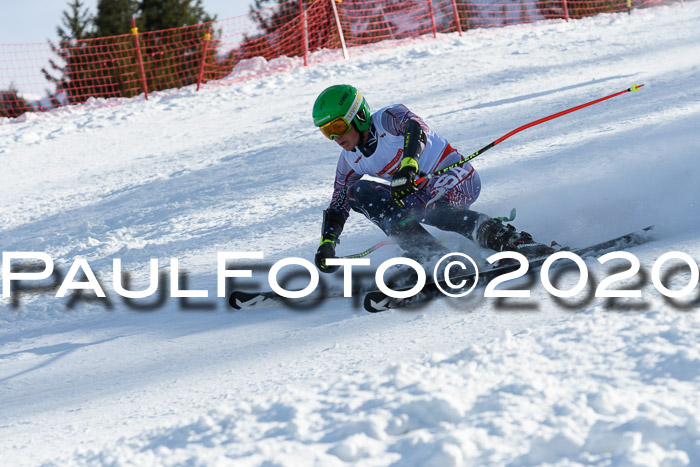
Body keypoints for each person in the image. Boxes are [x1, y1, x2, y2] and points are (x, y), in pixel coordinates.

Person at [312, 84, 553, 273]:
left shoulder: (388, 118)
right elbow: (339, 201)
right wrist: (327, 243)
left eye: (338, 126)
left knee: (432, 209)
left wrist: (408, 167)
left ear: (358, 116)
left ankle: (515, 243)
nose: (334, 136)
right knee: (359, 192)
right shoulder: (349, 161)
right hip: (419, 193)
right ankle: (428, 253)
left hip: (455, 175)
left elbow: (416, 128)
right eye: (326, 131)